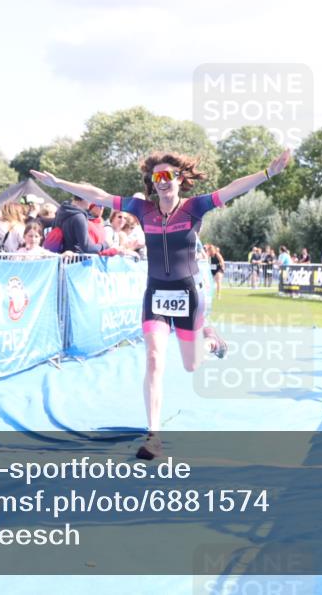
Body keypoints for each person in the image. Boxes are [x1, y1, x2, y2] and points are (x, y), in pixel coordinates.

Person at [31, 147, 292, 459]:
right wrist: (58, 182)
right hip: (155, 294)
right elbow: (98, 195)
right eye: (157, 176)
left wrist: (267, 174)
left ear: (180, 179)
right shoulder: (142, 209)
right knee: (154, 359)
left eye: (169, 175)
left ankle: (211, 342)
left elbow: (232, 189)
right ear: (152, 182)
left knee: (191, 364)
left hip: (186, 294)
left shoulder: (195, 207)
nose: (163, 180)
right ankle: (153, 436)